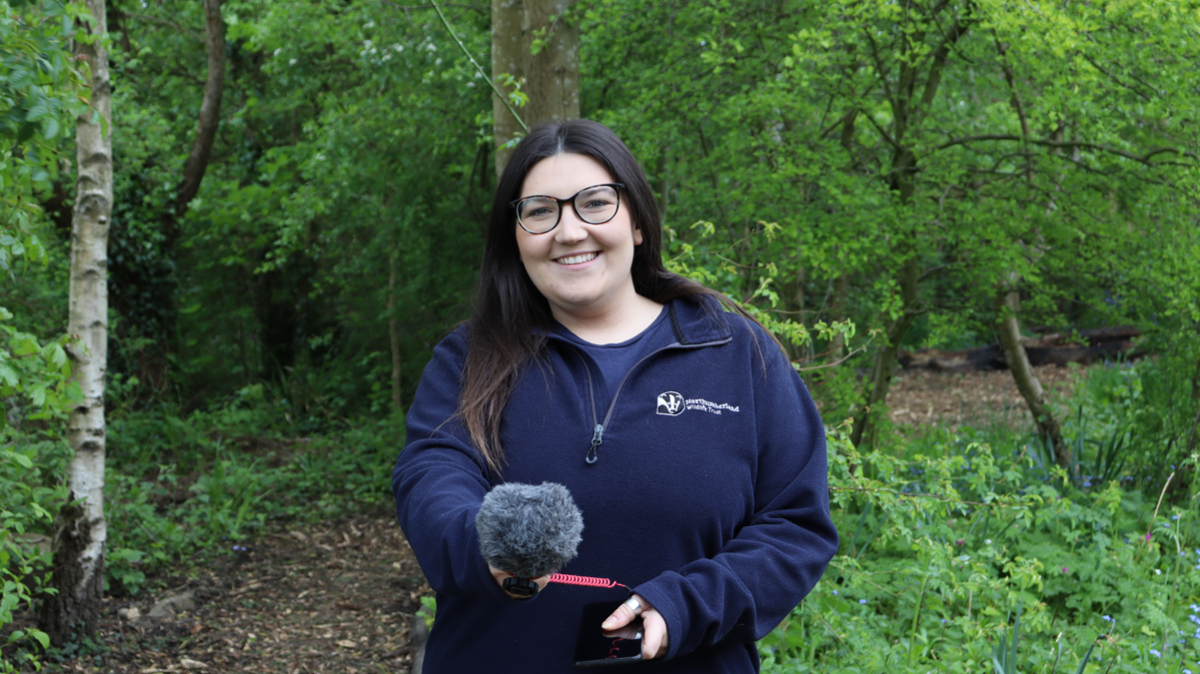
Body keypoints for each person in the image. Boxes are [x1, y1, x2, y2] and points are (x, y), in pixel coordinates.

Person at [392, 119, 838, 673]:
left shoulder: (738, 354)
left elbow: (796, 524)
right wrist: (486, 543)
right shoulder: (469, 358)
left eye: (594, 203)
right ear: (515, 235)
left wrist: (687, 606)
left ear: (638, 222)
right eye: (539, 211)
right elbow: (430, 478)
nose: (569, 230)